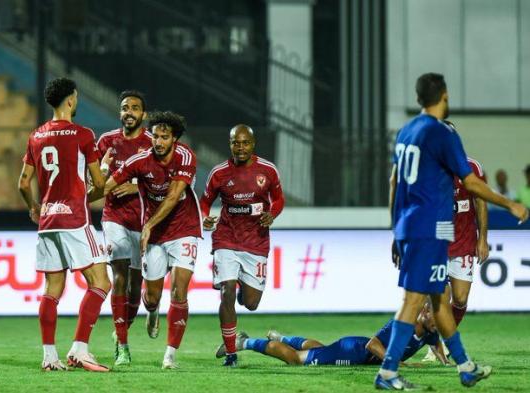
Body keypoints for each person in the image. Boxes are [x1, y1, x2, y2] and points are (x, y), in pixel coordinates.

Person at [380, 73, 528, 390]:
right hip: (429, 228)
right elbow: (472, 183)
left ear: (418, 98)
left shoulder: (406, 131)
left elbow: (394, 183)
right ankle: (388, 372)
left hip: (413, 225)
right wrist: (510, 204)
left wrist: (397, 228)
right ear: (444, 96)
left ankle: (465, 366)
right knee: (413, 301)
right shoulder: (441, 133)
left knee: (438, 301)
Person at [17, 77, 112, 372]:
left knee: (53, 288)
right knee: (101, 282)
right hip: (74, 219)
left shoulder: (36, 136)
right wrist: (107, 174)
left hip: (48, 221)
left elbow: (22, 183)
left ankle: (49, 357)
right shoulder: (84, 135)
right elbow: (98, 184)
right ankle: (80, 349)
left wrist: (34, 207)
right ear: (70, 99)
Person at [103, 111, 201, 369]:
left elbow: (172, 196)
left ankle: (170, 355)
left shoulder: (186, 157)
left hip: (184, 228)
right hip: (156, 236)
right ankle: (153, 312)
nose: (157, 141)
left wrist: (147, 225)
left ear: (175, 139)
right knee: (152, 298)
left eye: (164, 137)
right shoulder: (140, 161)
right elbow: (107, 185)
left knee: (180, 290)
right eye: (155, 136)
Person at [200, 124, 285, 367]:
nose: (240, 147)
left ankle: (242, 295)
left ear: (253, 144)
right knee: (226, 292)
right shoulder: (219, 173)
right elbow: (204, 201)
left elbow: (278, 199)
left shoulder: (267, 170)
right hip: (226, 238)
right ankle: (230, 354)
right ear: (230, 145)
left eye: (245, 142)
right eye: (235, 143)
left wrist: (272, 214)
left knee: (251, 303)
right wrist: (204, 216)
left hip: (256, 241)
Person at [92, 90, 152, 366]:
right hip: (113, 217)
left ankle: (123, 332)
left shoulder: (153, 143)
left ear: (144, 114)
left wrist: (138, 185)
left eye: (135, 108)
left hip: (144, 222)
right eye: (125, 107)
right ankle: (123, 346)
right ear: (120, 113)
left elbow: (166, 179)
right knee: (120, 275)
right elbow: (92, 178)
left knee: (137, 286)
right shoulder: (106, 142)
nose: (129, 112)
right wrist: (102, 175)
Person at [422, 127, 488, 362]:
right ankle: (436, 347)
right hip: (438, 240)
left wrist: (483, 239)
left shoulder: (472, 168)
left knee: (460, 298)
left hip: (464, 239)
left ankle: (444, 340)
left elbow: (480, 203)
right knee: (434, 301)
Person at [216, 305, 449, 367]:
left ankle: (283, 338)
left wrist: (445, 361)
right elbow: (372, 344)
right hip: (354, 351)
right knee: (296, 360)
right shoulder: (403, 324)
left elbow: (435, 342)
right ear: (424, 314)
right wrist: (397, 363)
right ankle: (244, 342)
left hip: (352, 349)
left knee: (321, 350)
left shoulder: (427, 332)